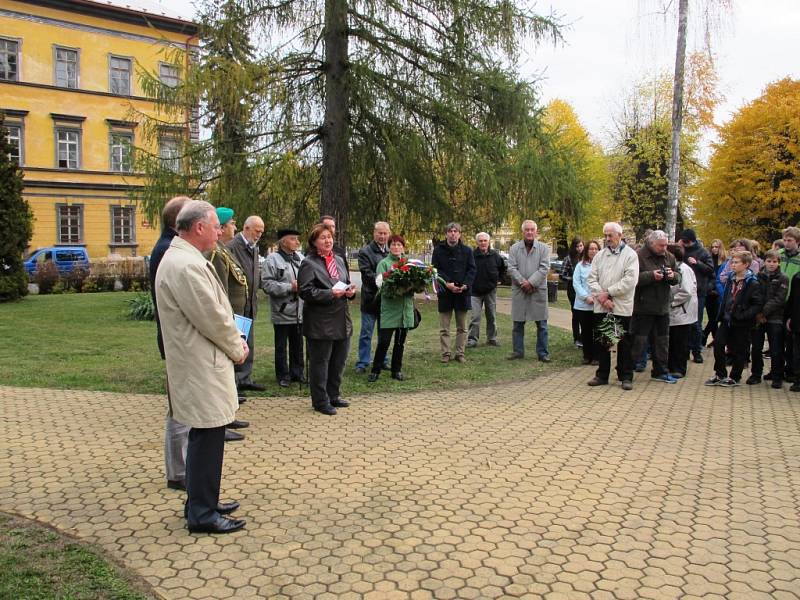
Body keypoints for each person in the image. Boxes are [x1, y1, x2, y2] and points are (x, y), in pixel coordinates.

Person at [155, 200, 248, 534]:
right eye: (215, 226)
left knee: (204, 436)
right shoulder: (186, 265)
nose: (219, 231)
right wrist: (238, 347)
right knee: (207, 437)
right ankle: (202, 514)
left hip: (199, 361)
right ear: (198, 228)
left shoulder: (184, 258)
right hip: (201, 363)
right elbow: (211, 318)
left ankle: (200, 500)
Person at [148, 195, 191, 491]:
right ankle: (178, 471)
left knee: (180, 408)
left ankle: (179, 469)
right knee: (181, 409)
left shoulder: (166, 247)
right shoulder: (168, 251)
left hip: (175, 340)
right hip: (177, 341)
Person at [298, 223, 356, 415]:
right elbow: (305, 292)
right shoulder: (309, 263)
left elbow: (345, 282)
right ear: (314, 242)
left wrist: (349, 292)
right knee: (320, 362)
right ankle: (320, 401)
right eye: (323, 237)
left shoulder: (339, 259)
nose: (328, 240)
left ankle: (334, 395)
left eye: (329, 236)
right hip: (320, 321)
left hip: (341, 318)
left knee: (338, 360)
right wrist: (330, 293)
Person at [208, 207, 250, 441]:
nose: (235, 227)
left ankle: (229, 413)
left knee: (230, 368)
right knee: (224, 368)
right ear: (222, 228)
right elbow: (220, 289)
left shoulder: (223, 250)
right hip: (229, 317)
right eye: (232, 223)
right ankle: (221, 422)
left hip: (237, 316)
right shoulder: (215, 254)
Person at [586, 222, 640, 390]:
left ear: (619, 235)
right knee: (603, 342)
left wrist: (608, 292)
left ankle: (625, 376)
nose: (607, 239)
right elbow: (591, 279)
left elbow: (630, 281)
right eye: (605, 235)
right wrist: (602, 298)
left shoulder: (630, 255)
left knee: (623, 343)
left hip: (621, 306)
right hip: (603, 306)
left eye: (610, 235)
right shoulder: (600, 256)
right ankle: (602, 375)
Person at [705, 250, 763, 387]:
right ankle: (720, 373)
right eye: (732, 262)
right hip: (726, 318)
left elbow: (757, 304)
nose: (733, 265)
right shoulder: (731, 278)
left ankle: (735, 376)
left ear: (746, 264)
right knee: (718, 344)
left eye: (736, 262)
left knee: (739, 349)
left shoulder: (752, 282)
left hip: (741, 321)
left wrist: (744, 315)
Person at [630, 230, 682, 384]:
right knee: (638, 341)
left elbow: (678, 276)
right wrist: (651, 276)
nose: (664, 248)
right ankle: (627, 370)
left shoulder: (669, 257)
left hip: (662, 307)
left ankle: (660, 371)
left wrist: (673, 276)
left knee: (662, 342)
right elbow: (632, 279)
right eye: (661, 245)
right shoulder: (638, 256)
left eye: (666, 245)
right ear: (651, 243)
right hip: (642, 307)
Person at [261, 227, 305, 388]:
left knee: (298, 345)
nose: (297, 242)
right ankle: (283, 375)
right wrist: (289, 287)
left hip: (299, 311)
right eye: (293, 239)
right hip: (282, 311)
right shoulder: (272, 260)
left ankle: (298, 373)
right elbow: (266, 284)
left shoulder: (300, 258)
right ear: (283, 241)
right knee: (281, 346)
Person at [368, 235, 415, 382]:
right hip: (389, 309)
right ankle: (375, 370)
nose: (396, 247)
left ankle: (396, 370)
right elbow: (381, 285)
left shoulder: (409, 263)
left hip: (404, 309)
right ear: (389, 247)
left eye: (399, 245)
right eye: (393, 245)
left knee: (400, 342)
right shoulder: (384, 263)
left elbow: (416, 284)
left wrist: (413, 286)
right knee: (384, 341)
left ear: (403, 247)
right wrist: (398, 287)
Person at [227, 215, 266, 392]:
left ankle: (245, 378)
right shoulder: (233, 247)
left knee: (248, 343)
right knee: (237, 343)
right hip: (237, 305)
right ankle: (234, 383)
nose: (259, 235)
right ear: (246, 228)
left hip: (250, 303)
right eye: (257, 231)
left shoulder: (253, 247)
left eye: (262, 232)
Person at [507, 220, 551, 362]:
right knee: (518, 323)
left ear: (536, 231)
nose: (530, 232)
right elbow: (511, 268)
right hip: (520, 290)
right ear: (523, 232)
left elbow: (544, 268)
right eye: (527, 230)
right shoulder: (514, 248)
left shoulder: (544, 248)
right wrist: (523, 282)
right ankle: (518, 351)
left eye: (532, 229)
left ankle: (543, 353)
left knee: (542, 324)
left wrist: (531, 283)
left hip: (537, 290)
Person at [432, 222, 476, 363]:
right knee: (444, 328)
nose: (453, 233)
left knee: (462, 327)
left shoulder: (467, 251)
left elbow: (472, 270)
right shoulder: (438, 250)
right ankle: (445, 353)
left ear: (459, 233)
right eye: (450, 231)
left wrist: (465, 285)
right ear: (446, 234)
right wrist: (447, 283)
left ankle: (460, 353)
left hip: (462, 293)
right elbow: (435, 270)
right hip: (445, 292)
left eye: (455, 231)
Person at [355, 222, 391, 373]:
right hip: (370, 298)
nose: (382, 236)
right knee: (366, 333)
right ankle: (363, 362)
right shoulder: (365, 252)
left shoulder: (391, 251)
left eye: (385, 233)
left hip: (386, 300)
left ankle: (382, 359)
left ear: (388, 234)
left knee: (384, 333)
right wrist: (386, 280)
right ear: (374, 234)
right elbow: (367, 274)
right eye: (380, 233)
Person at [749, 250, 788, 387]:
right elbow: (755, 295)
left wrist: (764, 312)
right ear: (764, 262)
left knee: (776, 348)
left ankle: (777, 375)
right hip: (758, 317)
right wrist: (758, 313)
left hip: (775, 317)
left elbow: (779, 299)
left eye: (775, 262)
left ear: (779, 263)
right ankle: (755, 374)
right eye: (769, 261)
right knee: (756, 347)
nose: (772, 264)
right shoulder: (757, 276)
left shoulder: (783, 278)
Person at [678, 229, 714, 364]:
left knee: (696, 323)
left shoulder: (703, 252)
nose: (685, 244)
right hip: (683, 291)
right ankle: (685, 350)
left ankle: (696, 351)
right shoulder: (682, 250)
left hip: (698, 292)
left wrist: (697, 263)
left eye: (687, 241)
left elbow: (710, 271)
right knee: (684, 323)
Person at [468, 232, 506, 348]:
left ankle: (492, 338)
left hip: (490, 291)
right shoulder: (472, 256)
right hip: (475, 291)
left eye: (485, 241)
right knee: (475, 317)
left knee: (491, 316)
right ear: (477, 242)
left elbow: (503, 269)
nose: (483, 243)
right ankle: (472, 339)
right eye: (480, 241)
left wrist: (500, 280)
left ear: (489, 242)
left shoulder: (495, 256)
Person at [667, 244, 697, 379]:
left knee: (680, 342)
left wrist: (671, 303)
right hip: (674, 311)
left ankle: (679, 368)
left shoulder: (684, 270)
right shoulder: (672, 269)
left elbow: (686, 292)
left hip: (681, 311)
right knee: (672, 341)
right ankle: (671, 366)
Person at [572, 240, 600, 365]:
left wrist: (596, 297)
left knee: (598, 332)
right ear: (586, 251)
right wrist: (585, 297)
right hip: (583, 305)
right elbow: (576, 283)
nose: (593, 251)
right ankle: (587, 355)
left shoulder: (602, 265)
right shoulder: (580, 266)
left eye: (596, 249)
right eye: (591, 249)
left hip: (598, 304)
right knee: (586, 331)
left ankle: (597, 356)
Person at [779, 226, 800, 382]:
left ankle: (792, 369)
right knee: (777, 338)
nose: (786, 243)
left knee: (791, 338)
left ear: (797, 242)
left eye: (790, 240)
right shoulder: (778, 255)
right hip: (777, 300)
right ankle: (778, 369)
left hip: (792, 302)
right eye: (785, 240)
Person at [560, 237, 584, 348]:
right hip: (573, 290)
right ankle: (577, 338)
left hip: (585, 290)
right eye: (577, 246)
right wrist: (574, 279)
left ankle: (584, 337)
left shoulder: (585, 258)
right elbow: (562, 275)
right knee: (576, 314)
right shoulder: (568, 259)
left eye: (581, 246)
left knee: (585, 314)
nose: (579, 248)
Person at [702, 239, 726, 347]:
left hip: (719, 292)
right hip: (709, 291)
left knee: (714, 318)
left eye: (716, 247)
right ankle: (716, 341)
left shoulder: (725, 261)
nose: (714, 249)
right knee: (712, 317)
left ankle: (704, 335)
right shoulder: (709, 260)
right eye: (712, 247)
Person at [785, 265, 800, 392]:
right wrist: (789, 316)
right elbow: (792, 299)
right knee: (797, 353)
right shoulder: (797, 277)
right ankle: (798, 379)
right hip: (797, 321)